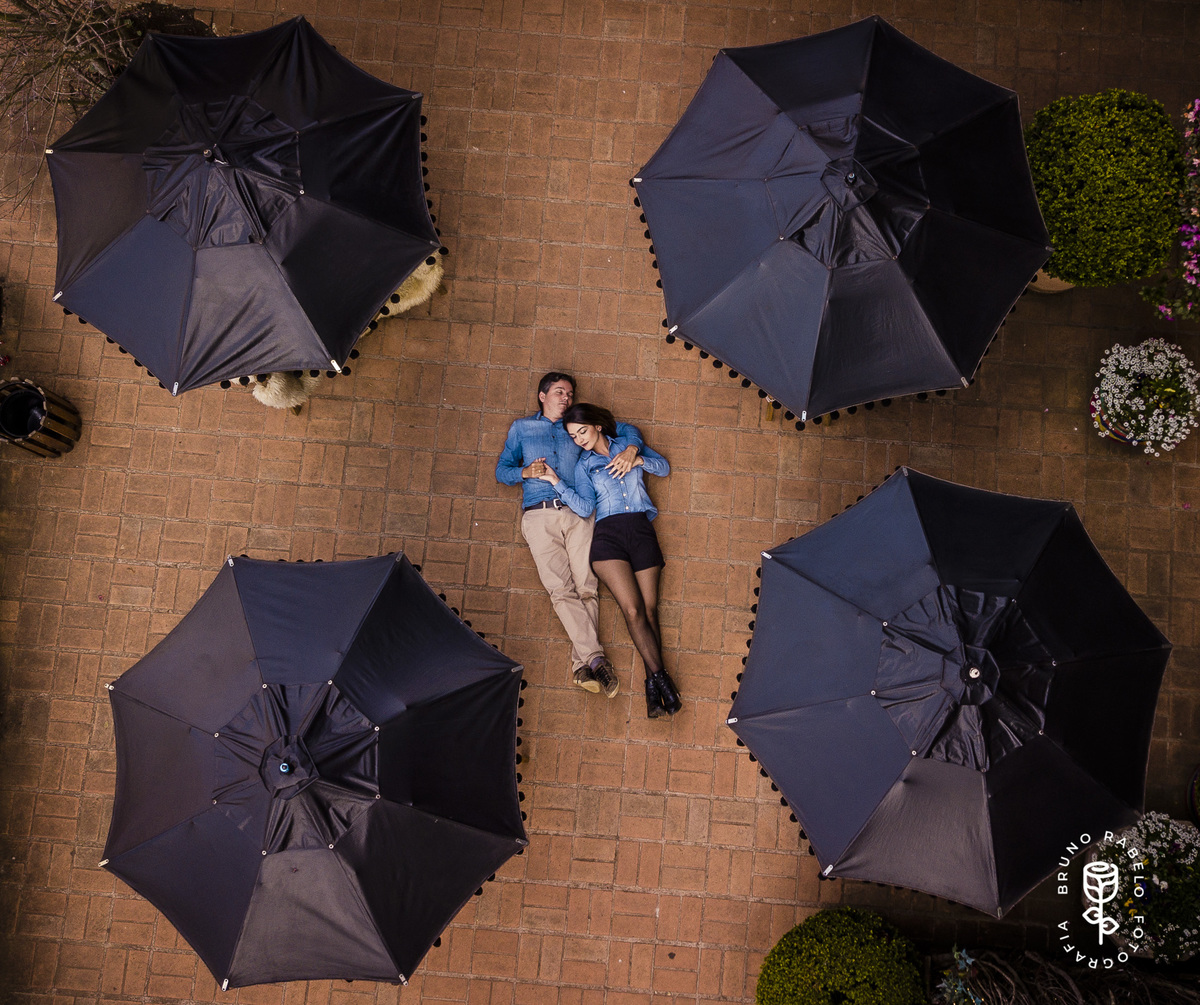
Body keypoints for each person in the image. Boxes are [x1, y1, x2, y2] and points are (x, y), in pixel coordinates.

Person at [495, 372, 643, 698]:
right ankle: (595, 659)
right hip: (539, 516)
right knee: (560, 590)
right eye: (560, 392)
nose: (566, 398)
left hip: (578, 513)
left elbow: (626, 429)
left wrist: (632, 448)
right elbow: (501, 470)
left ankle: (582, 667)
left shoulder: (575, 427)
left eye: (570, 394)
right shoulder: (522, 428)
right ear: (542, 396)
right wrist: (523, 472)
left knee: (587, 587)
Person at [533, 402, 682, 718]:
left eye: (582, 431)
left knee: (650, 610)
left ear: (597, 426)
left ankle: (653, 687)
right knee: (633, 610)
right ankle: (663, 681)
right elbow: (585, 507)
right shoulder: (584, 466)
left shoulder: (627, 444)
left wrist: (637, 458)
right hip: (608, 538)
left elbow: (663, 467)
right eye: (574, 436)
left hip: (640, 530)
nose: (579, 440)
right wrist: (556, 481)